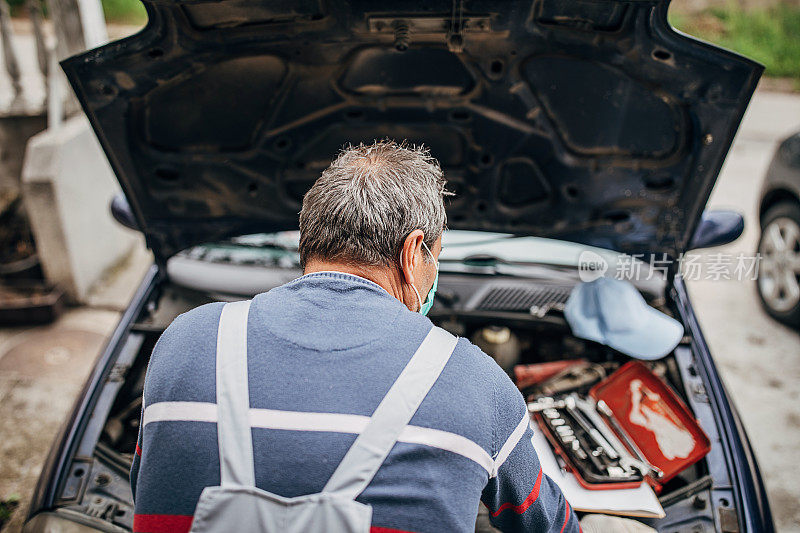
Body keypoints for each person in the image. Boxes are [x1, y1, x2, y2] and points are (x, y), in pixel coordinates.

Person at [130, 140, 579, 533]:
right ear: (411, 253)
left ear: (307, 241)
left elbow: (147, 485)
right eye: (435, 258)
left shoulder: (184, 342)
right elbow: (549, 525)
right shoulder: (473, 380)